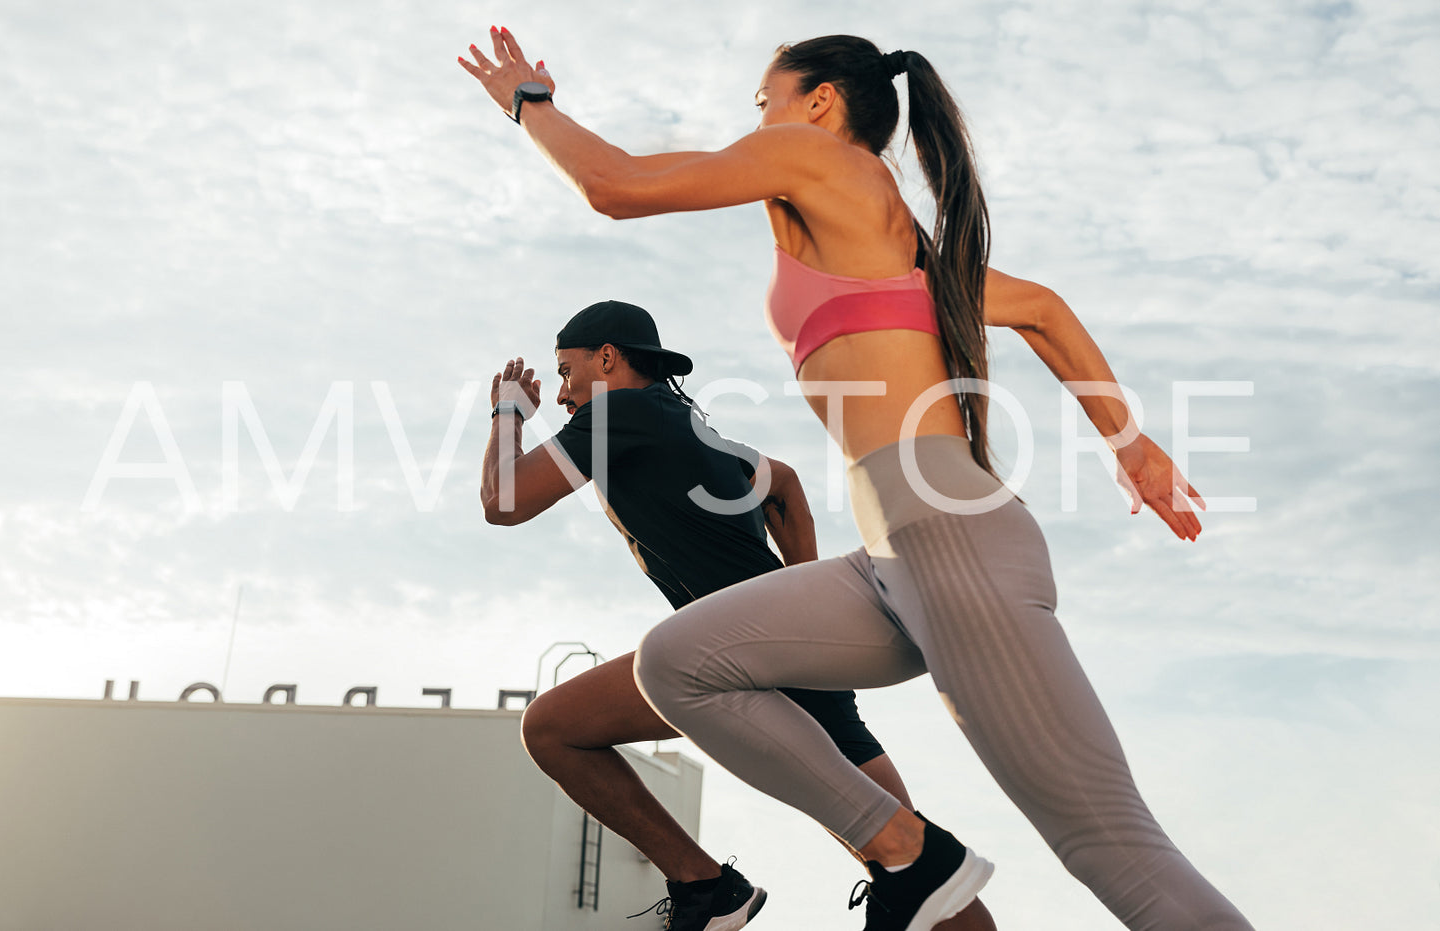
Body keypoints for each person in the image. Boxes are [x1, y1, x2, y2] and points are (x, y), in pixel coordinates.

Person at [460, 27, 1255, 931]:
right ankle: (909, 858)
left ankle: (914, 864)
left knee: (1113, 850)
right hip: (892, 558)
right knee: (678, 661)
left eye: (763, 103)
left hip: (950, 541)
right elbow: (1040, 310)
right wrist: (1130, 445)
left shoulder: (811, 157)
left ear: (820, 102)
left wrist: (530, 104)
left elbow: (618, 187)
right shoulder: (893, 244)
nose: (753, 125)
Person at [479, 300, 996, 931]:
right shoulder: (697, 431)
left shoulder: (621, 412)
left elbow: (503, 501)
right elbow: (787, 486)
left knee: (552, 729)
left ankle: (707, 889)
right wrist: (810, 607)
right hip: (793, 659)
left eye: (566, 371)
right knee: (911, 870)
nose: (561, 394)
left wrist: (509, 411)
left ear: (607, 358)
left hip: (736, 654)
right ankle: (713, 891)